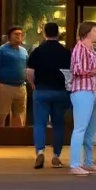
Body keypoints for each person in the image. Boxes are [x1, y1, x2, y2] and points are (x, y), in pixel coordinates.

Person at [27, 21, 71, 169]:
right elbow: (71, 74)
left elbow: (29, 72)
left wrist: (34, 85)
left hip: (42, 90)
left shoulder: (37, 51)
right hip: (60, 92)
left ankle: (40, 151)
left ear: (44, 33)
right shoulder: (66, 52)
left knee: (40, 122)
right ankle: (56, 156)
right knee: (58, 124)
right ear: (58, 34)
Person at [68, 21, 96, 176]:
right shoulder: (80, 49)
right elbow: (78, 70)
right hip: (83, 90)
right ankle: (75, 164)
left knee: (91, 130)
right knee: (80, 128)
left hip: (94, 91)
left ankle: (88, 162)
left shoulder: (91, 49)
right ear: (88, 32)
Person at [0, 25, 29, 128]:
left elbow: (27, 67)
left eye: (20, 34)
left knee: (19, 113)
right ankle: (1, 137)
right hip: (6, 86)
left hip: (21, 86)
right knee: (3, 114)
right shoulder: (1, 50)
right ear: (9, 36)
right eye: (16, 34)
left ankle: (16, 138)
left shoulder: (24, 51)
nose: (19, 36)